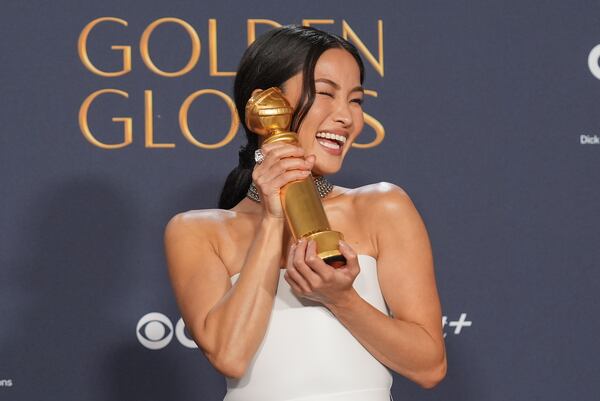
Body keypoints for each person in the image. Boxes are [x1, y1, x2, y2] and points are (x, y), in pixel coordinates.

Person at [164, 25, 447, 401]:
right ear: (266, 105)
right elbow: (230, 356)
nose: (346, 117)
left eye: (356, 100)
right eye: (326, 93)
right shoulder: (197, 232)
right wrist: (272, 219)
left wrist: (341, 299)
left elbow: (429, 367)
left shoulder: (384, 207)